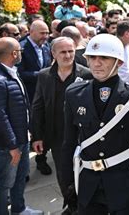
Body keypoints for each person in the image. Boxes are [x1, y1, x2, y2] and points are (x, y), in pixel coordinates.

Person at [60, 34, 129, 214]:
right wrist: (68, 182)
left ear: (119, 62)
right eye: (92, 58)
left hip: (123, 179)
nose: (96, 63)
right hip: (88, 180)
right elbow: (69, 142)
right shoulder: (74, 93)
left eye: (104, 58)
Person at [31, 37, 92, 214]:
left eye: (71, 51)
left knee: (84, 175)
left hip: (83, 137)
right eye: (63, 52)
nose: (68, 55)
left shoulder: (86, 74)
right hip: (57, 138)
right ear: (53, 54)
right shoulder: (44, 76)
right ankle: (72, 206)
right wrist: (37, 136)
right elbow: (38, 106)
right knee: (64, 175)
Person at [0, 37, 43, 215]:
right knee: (5, 183)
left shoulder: (12, 71)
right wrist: (12, 145)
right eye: (20, 51)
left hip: (22, 137)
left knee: (20, 178)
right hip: (8, 144)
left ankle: (19, 209)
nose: (21, 53)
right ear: (14, 54)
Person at [17, 20, 53, 175]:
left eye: (47, 33)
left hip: (46, 95)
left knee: (45, 127)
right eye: (42, 33)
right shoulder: (21, 48)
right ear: (31, 32)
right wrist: (43, 75)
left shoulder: (46, 47)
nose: (45, 36)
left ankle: (41, 159)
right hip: (30, 96)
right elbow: (18, 73)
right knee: (35, 127)